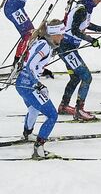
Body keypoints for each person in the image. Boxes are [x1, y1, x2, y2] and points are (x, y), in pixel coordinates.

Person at [57, 0, 101, 120]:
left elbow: (85, 24)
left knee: (75, 78)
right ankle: (79, 110)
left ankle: (64, 106)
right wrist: (91, 40)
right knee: (86, 77)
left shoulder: (84, 9)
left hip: (68, 47)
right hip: (67, 48)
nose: (99, 1)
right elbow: (75, 30)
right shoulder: (81, 10)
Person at [17, 21, 66, 159]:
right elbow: (30, 66)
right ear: (53, 34)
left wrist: (43, 71)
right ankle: (38, 148)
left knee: (34, 108)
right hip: (29, 85)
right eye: (61, 34)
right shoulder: (44, 45)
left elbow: (31, 64)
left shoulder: (42, 43)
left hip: (22, 83)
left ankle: (27, 133)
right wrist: (37, 84)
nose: (62, 37)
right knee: (52, 115)